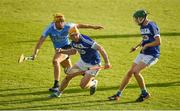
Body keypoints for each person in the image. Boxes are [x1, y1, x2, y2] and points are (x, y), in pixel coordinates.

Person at [32, 13, 104, 92]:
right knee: (68, 72)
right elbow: (40, 41)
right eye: (59, 22)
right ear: (54, 23)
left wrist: (94, 27)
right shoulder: (49, 29)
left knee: (55, 61)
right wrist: (35, 53)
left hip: (68, 47)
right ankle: (91, 80)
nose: (61, 23)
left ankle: (56, 85)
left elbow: (80, 25)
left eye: (62, 21)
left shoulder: (68, 26)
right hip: (58, 49)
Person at [108, 9, 161, 102]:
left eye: (136, 19)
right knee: (130, 73)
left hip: (152, 54)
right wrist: (137, 47)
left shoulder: (151, 25)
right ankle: (118, 94)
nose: (135, 21)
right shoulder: (142, 27)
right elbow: (146, 39)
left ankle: (145, 93)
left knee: (136, 72)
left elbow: (158, 41)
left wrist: (147, 45)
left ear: (142, 18)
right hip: (143, 53)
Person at [49, 26, 111, 98]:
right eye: (72, 35)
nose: (75, 37)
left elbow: (101, 48)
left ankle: (93, 83)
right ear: (70, 37)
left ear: (78, 33)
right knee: (68, 76)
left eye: (76, 34)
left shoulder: (86, 41)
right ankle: (58, 93)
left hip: (94, 65)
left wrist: (107, 62)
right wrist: (62, 51)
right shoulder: (73, 42)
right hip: (82, 62)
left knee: (83, 86)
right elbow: (74, 51)